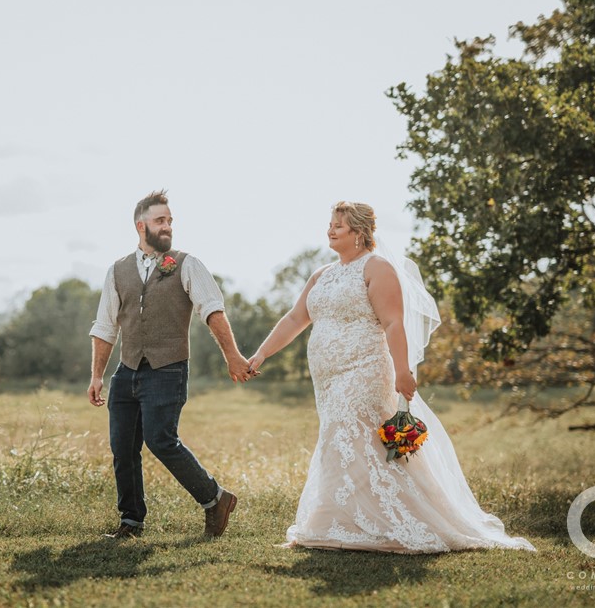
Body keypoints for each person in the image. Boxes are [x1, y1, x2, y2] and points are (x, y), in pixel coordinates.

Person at [247, 201, 535, 553]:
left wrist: (403, 370)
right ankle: (336, 523)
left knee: (348, 431)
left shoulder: (377, 268)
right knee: (341, 441)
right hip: (328, 379)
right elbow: (294, 319)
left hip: (365, 370)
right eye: (330, 223)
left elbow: (393, 323)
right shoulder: (321, 275)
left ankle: (382, 524)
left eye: (339, 225)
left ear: (359, 232)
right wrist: (260, 353)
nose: (330, 230)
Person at [88, 190, 250, 540]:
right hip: (127, 370)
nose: (168, 227)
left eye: (170, 221)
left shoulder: (187, 264)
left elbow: (212, 310)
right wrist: (97, 375)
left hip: (168, 368)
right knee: (122, 448)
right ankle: (130, 522)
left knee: (161, 439)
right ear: (140, 225)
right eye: (161, 221)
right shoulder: (117, 271)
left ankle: (215, 499)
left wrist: (232, 356)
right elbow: (105, 326)